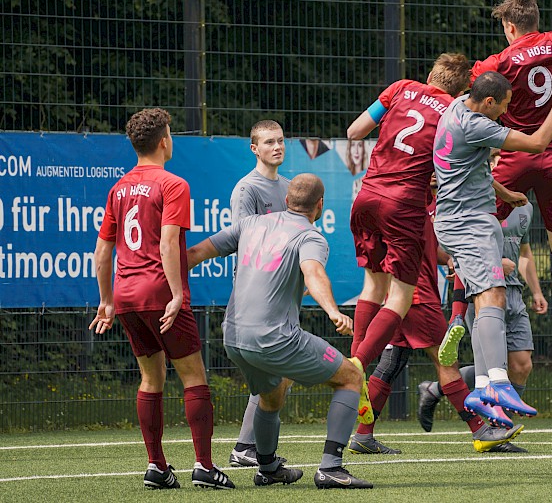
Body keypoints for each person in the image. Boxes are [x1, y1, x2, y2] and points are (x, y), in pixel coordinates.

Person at [187, 174, 373, 489]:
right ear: (320, 206)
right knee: (350, 377)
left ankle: (269, 467)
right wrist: (332, 311)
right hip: (274, 339)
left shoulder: (250, 224)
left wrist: (165, 290)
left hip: (233, 337)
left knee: (271, 394)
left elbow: (194, 254)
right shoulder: (311, 236)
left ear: (286, 200)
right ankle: (332, 467)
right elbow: (313, 273)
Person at [89, 108, 234, 490]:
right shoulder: (173, 184)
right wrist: (175, 294)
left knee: (151, 379)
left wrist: (106, 300)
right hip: (159, 290)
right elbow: (169, 242)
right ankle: (204, 467)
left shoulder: (118, 188)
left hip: (126, 295)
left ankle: (157, 467)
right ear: (164, 141)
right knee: (194, 378)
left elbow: (103, 251)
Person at [471, 0, 552, 377]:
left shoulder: (497, 62)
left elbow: (471, 95)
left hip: (515, 158)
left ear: (510, 27)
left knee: (474, 234)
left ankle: (460, 320)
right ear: (536, 22)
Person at [433, 71, 552, 418]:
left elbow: (471, 167)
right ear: (489, 101)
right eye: (504, 107)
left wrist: (504, 192)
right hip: (469, 223)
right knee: (495, 293)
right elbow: (539, 143)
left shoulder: (455, 107)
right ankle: (497, 381)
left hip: (461, 218)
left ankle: (482, 388)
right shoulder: (479, 126)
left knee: (483, 301)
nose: (506, 114)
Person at [349, 185, 523, 456]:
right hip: (414, 295)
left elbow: (433, 250)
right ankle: (480, 430)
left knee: (391, 363)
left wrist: (453, 257)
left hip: (404, 293)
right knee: (446, 360)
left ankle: (362, 434)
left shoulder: (434, 202)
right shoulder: (407, 201)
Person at [346, 53, 471, 383]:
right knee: (400, 296)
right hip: (403, 203)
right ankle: (357, 364)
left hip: (368, 194)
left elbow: (354, 131)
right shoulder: (454, 112)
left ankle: (353, 363)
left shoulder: (400, 87)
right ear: (459, 92)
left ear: (430, 74)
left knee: (372, 286)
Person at [420, 150, 548, 454]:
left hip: (514, 290)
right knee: (493, 364)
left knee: (522, 365)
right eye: (491, 159)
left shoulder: (523, 205)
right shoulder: (468, 203)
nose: (495, 164)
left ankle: (435, 388)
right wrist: (471, 262)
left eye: (500, 158)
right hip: (482, 289)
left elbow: (525, 254)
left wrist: (538, 291)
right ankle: (498, 431)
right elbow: (444, 245)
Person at [228, 119, 291, 468]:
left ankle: (246, 447)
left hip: (282, 293)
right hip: (255, 293)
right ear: (254, 149)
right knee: (274, 373)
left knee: (279, 375)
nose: (277, 147)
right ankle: (247, 448)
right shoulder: (246, 190)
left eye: (280, 140)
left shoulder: (289, 187)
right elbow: (243, 241)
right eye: (269, 142)